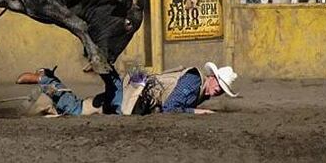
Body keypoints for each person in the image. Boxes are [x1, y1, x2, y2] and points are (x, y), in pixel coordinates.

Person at [15, 62, 238, 116]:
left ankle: (46, 79)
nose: (218, 90)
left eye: (221, 90)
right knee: (118, 97)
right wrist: (199, 112)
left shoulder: (197, 87)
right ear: (211, 77)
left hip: (137, 91)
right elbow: (171, 107)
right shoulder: (193, 82)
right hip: (136, 93)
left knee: (77, 110)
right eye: (219, 84)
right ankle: (102, 62)